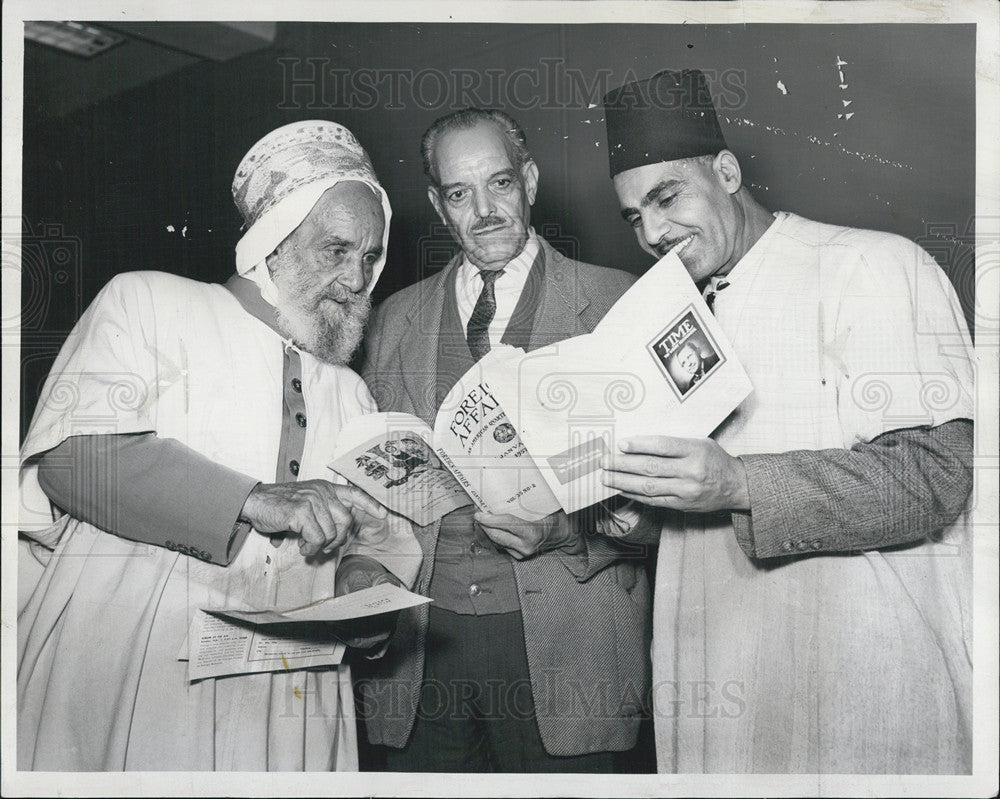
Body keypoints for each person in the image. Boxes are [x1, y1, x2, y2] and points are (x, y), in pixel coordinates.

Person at [599, 69, 974, 773]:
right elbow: (702, 512)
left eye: (666, 197)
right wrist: (641, 517)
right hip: (724, 694)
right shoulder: (669, 320)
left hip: (862, 694)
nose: (650, 232)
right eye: (632, 216)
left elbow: (935, 476)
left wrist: (739, 483)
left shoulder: (867, 263)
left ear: (728, 171)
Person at [17, 120, 420, 771]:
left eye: (370, 257)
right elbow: (72, 461)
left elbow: (376, 540)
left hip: (288, 700)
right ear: (273, 244)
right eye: (336, 251)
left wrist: (366, 591)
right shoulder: (148, 302)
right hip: (135, 673)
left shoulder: (353, 393)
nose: (357, 277)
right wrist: (255, 498)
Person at [347, 108, 652, 772]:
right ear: (437, 203)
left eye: (501, 183)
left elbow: (679, 510)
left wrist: (569, 534)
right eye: (460, 193)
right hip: (423, 657)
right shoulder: (391, 321)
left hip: (570, 651)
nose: (483, 210)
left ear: (531, 181)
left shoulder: (617, 305)